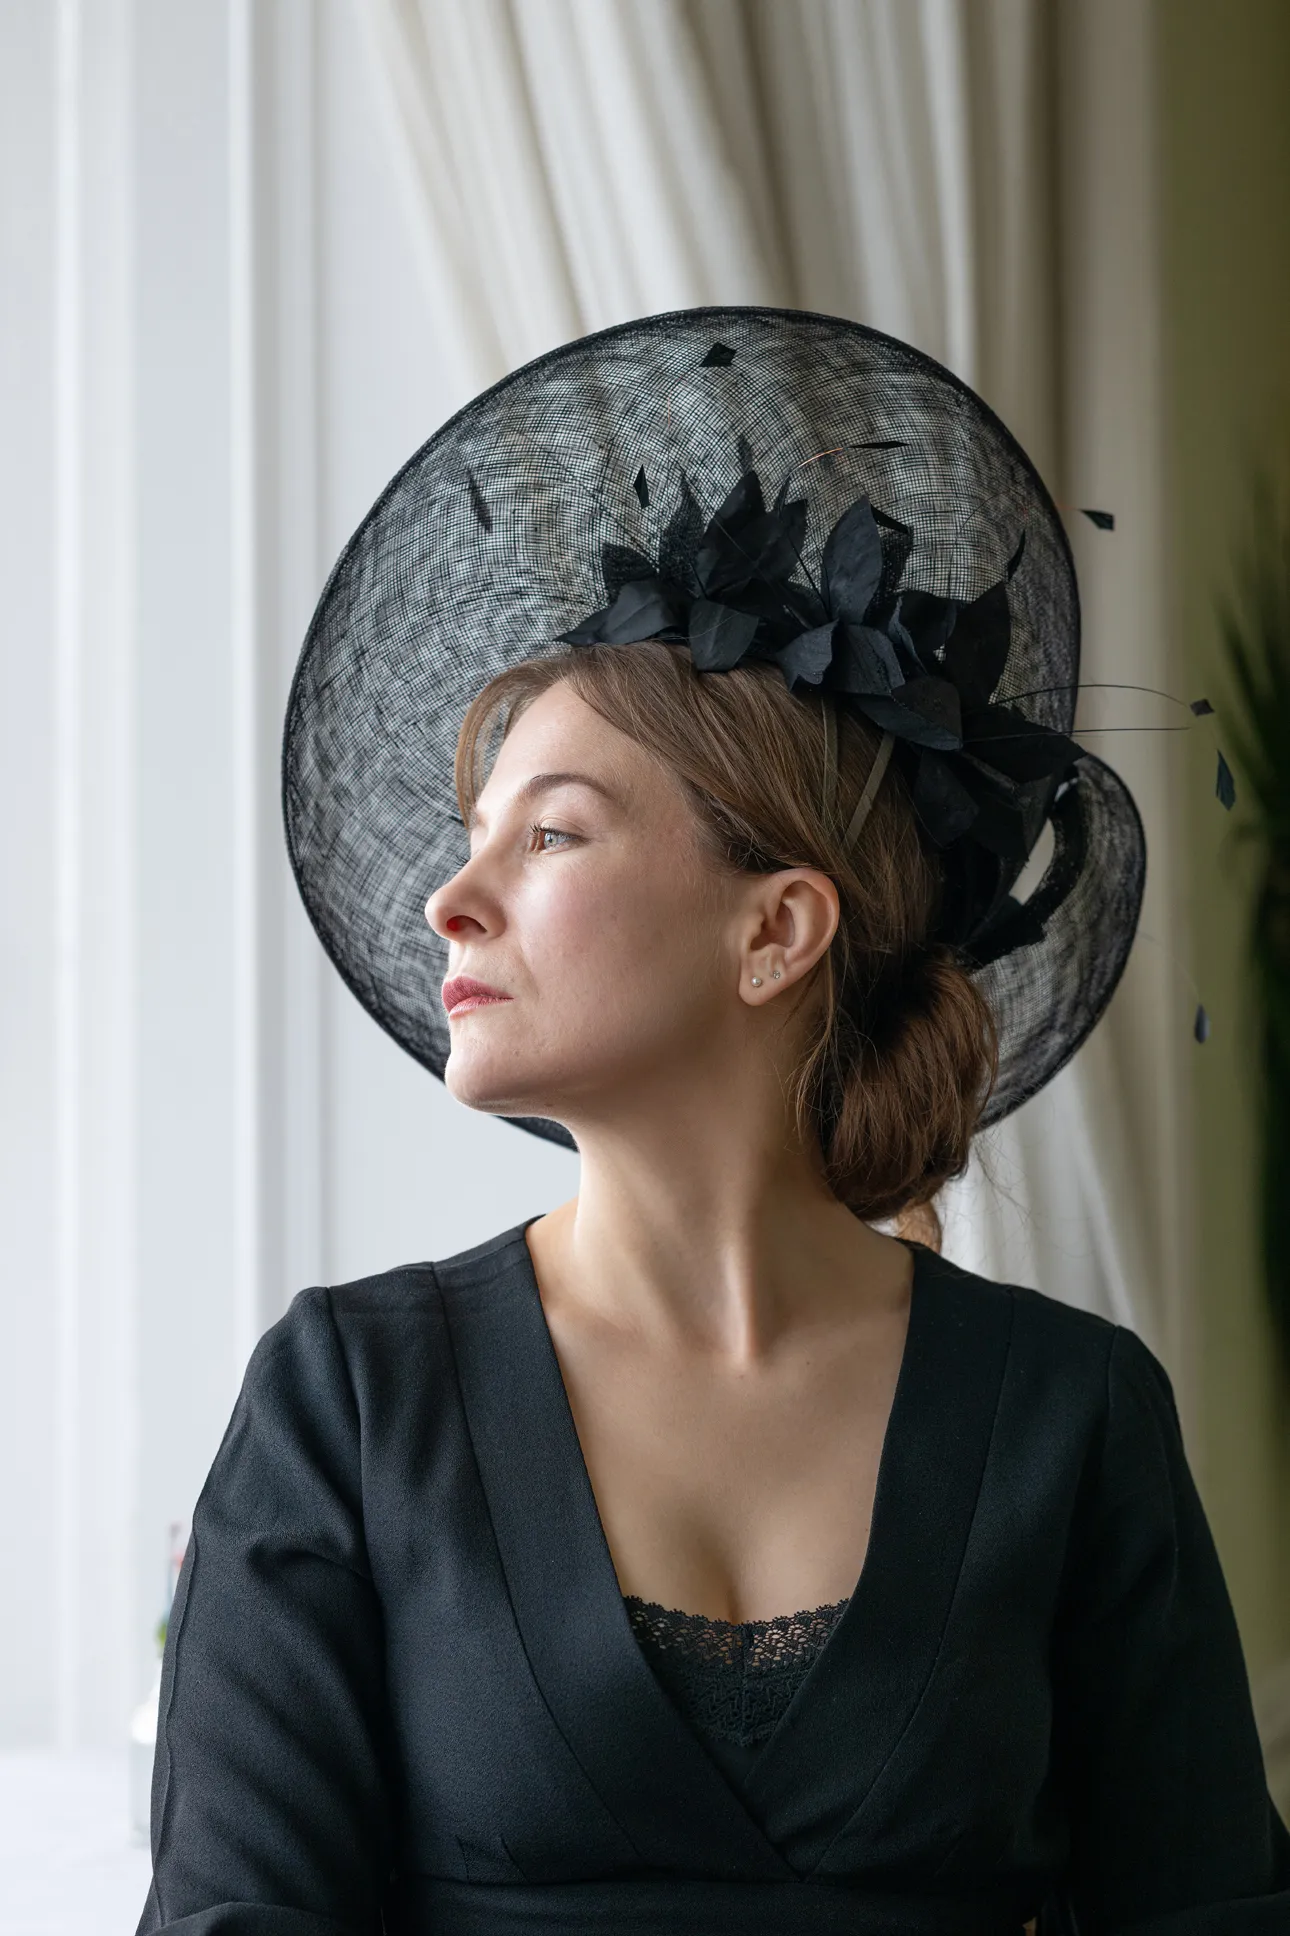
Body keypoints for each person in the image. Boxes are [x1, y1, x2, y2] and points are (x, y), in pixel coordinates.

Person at [138, 309, 1290, 1934]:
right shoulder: (349, 1401)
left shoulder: (1070, 1416)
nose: (450, 902)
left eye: (549, 836)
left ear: (776, 930)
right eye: (475, 842)